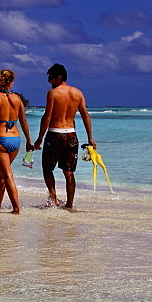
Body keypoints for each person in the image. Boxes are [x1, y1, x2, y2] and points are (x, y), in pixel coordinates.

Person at [33, 63, 96, 210]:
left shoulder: (53, 93)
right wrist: (90, 138)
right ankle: (69, 204)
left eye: (51, 78)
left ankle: (53, 198)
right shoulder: (78, 93)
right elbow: (85, 115)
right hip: (71, 136)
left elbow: (47, 117)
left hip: (54, 135)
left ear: (59, 77)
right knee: (69, 172)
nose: (49, 81)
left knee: (47, 169)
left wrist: (39, 139)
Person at [0, 69, 33, 213]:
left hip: (0, 140)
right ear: (12, 82)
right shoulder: (17, 99)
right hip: (16, 140)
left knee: (7, 175)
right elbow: (23, 120)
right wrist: (29, 140)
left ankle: (16, 208)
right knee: (1, 172)